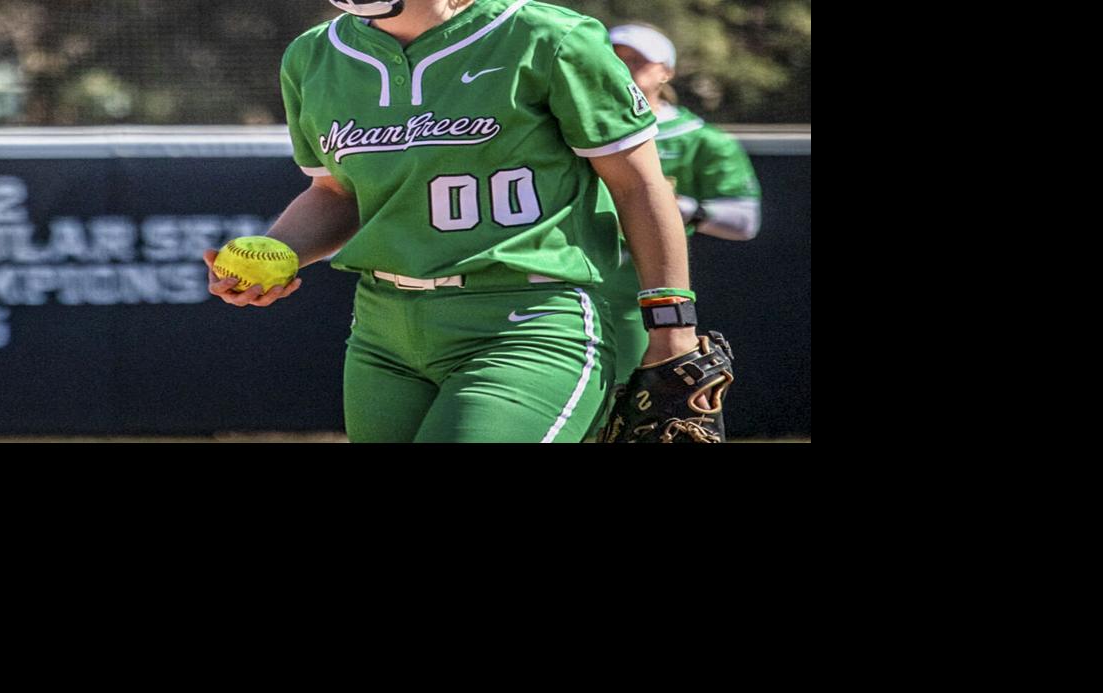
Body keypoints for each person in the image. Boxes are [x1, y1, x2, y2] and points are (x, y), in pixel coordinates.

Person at [204, 0, 719, 442]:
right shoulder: (313, 55)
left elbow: (639, 186)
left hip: (527, 319)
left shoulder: (549, 36)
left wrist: (672, 323)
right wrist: (282, 250)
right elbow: (338, 191)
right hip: (384, 330)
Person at [598, 22, 761, 413]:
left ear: (665, 71)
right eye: (613, 59)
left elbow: (745, 220)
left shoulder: (699, 139)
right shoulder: (571, 128)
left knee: (626, 408)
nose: (623, 68)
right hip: (569, 284)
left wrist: (682, 207)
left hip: (641, 293)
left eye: (636, 60)